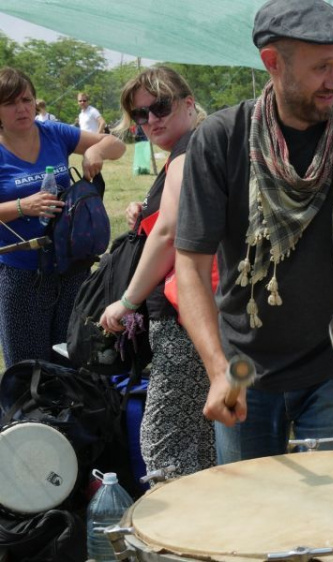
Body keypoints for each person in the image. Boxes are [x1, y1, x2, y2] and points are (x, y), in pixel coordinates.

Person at [174, 0, 333, 462]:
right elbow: (189, 265)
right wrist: (216, 368)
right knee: (253, 518)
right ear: (272, 62)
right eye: (322, 67)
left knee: (332, 519)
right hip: (244, 367)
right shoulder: (221, 140)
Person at [98, 67, 215, 478]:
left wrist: (126, 302)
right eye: (140, 116)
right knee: (201, 440)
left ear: (187, 103)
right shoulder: (191, 151)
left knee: (165, 446)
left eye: (159, 107)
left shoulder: (189, 152)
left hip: (188, 316)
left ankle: (174, 538)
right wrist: (144, 213)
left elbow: (169, 234)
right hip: (202, 311)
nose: (150, 121)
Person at [0, 67, 125, 366]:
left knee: (72, 356)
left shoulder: (53, 132)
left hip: (71, 265)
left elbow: (117, 145)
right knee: (28, 366)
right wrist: (21, 207)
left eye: (27, 99)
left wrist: (96, 151)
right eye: (10, 103)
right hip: (21, 272)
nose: (22, 108)